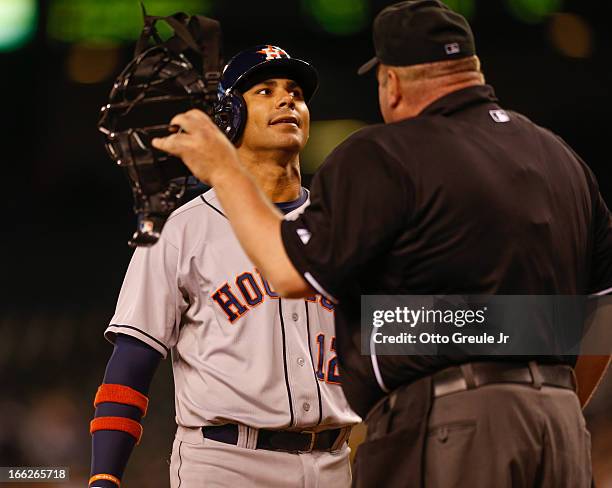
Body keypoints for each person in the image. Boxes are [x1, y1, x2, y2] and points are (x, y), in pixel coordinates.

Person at [152, 1, 612, 486]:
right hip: (560, 427)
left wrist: (222, 167)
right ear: (471, 70)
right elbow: (603, 314)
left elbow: (287, 271)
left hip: (453, 425)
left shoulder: (388, 152)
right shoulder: (562, 160)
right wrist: (546, 404)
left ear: (392, 81)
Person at [88, 45, 360, 488]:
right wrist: (104, 477)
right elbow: (132, 360)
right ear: (230, 116)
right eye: (265, 91)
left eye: (295, 92)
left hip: (334, 461)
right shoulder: (184, 228)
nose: (287, 100)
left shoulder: (343, 224)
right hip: (226, 464)